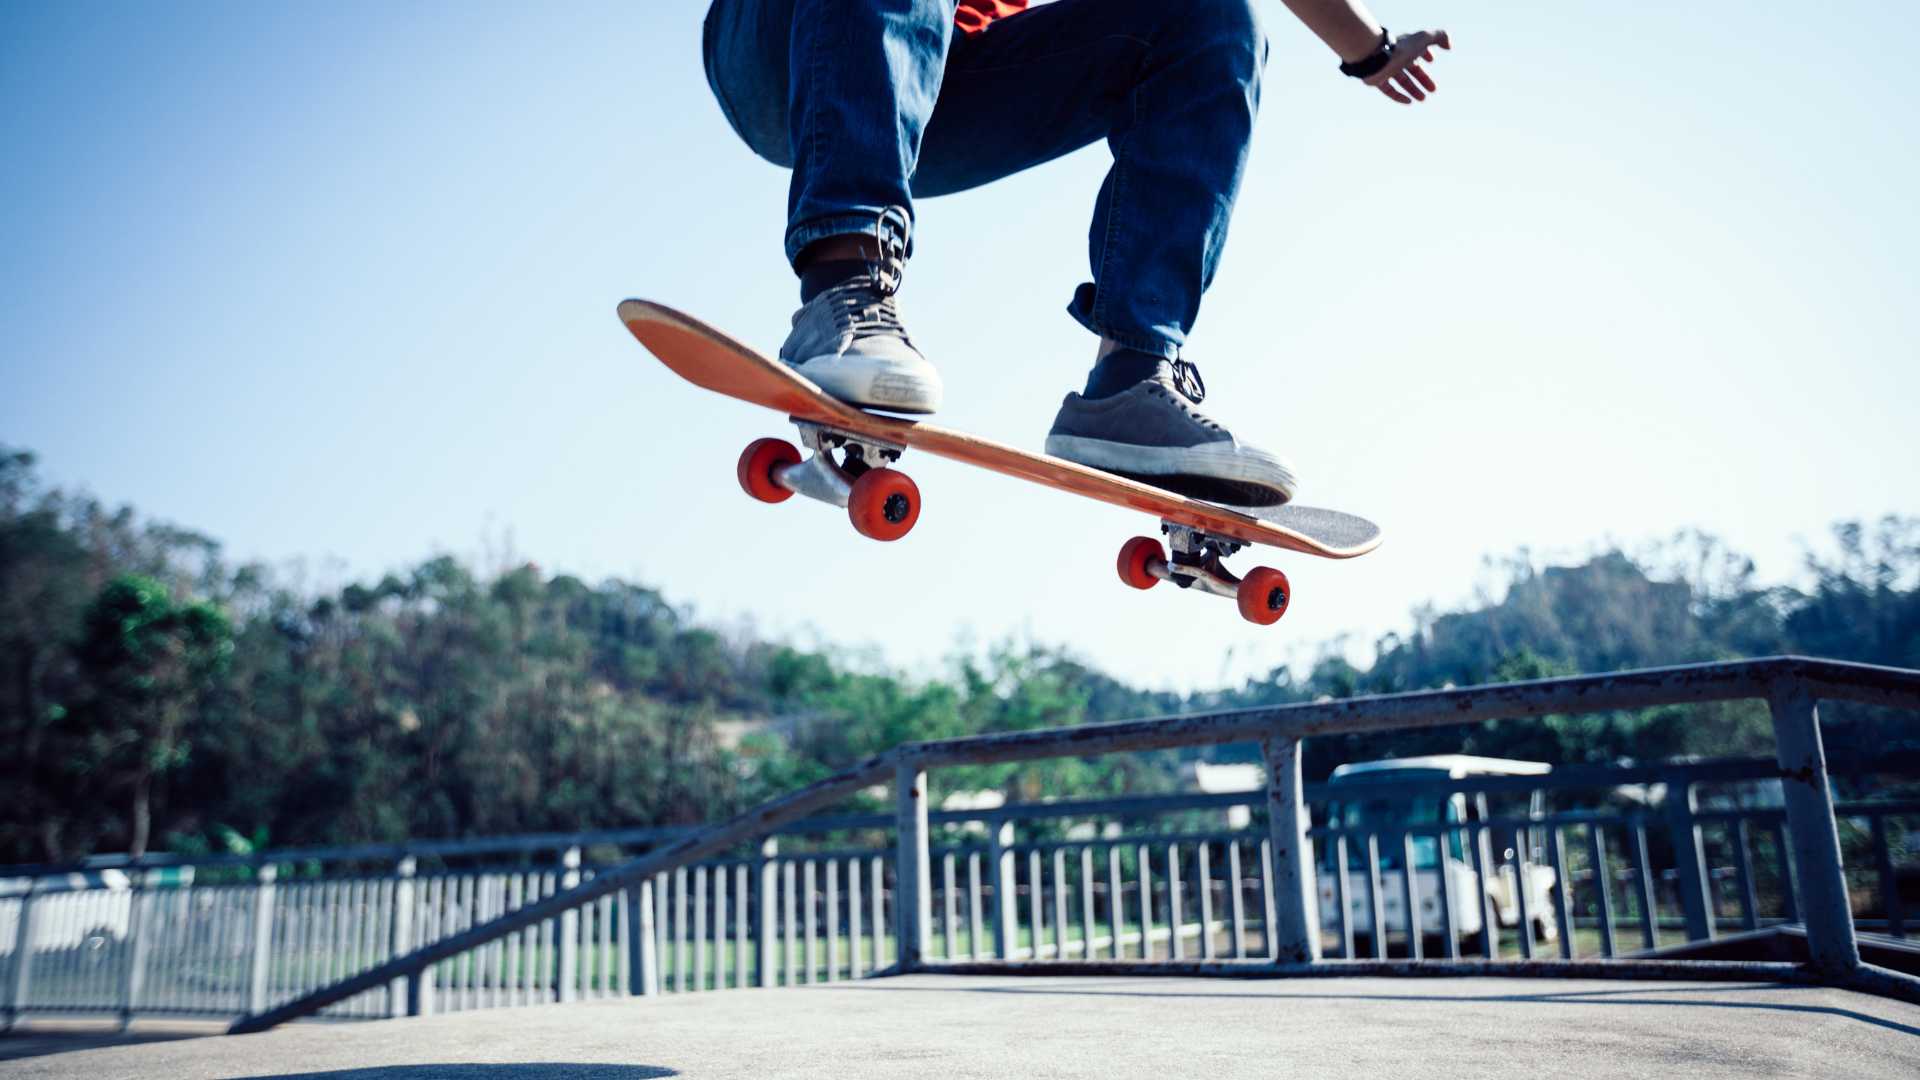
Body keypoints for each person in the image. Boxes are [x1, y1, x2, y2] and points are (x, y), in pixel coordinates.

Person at [700, 0, 1449, 506]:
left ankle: (1130, 379)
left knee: (1211, 16)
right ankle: (845, 287)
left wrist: (1372, 51)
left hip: (940, 84)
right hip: (785, 46)